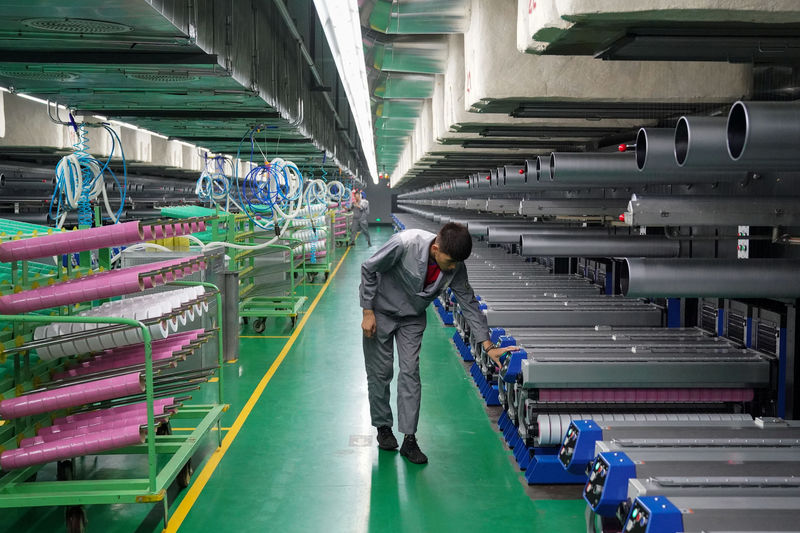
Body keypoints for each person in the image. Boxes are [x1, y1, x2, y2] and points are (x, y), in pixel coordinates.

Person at [359, 222, 517, 464]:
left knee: (410, 372)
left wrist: (488, 345)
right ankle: (383, 427)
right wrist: (367, 311)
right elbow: (368, 268)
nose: (453, 267)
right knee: (380, 373)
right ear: (435, 249)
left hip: (411, 318)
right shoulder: (405, 244)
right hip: (380, 312)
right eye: (450, 261)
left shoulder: (455, 266)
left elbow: (469, 304)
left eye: (457, 263)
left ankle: (409, 439)